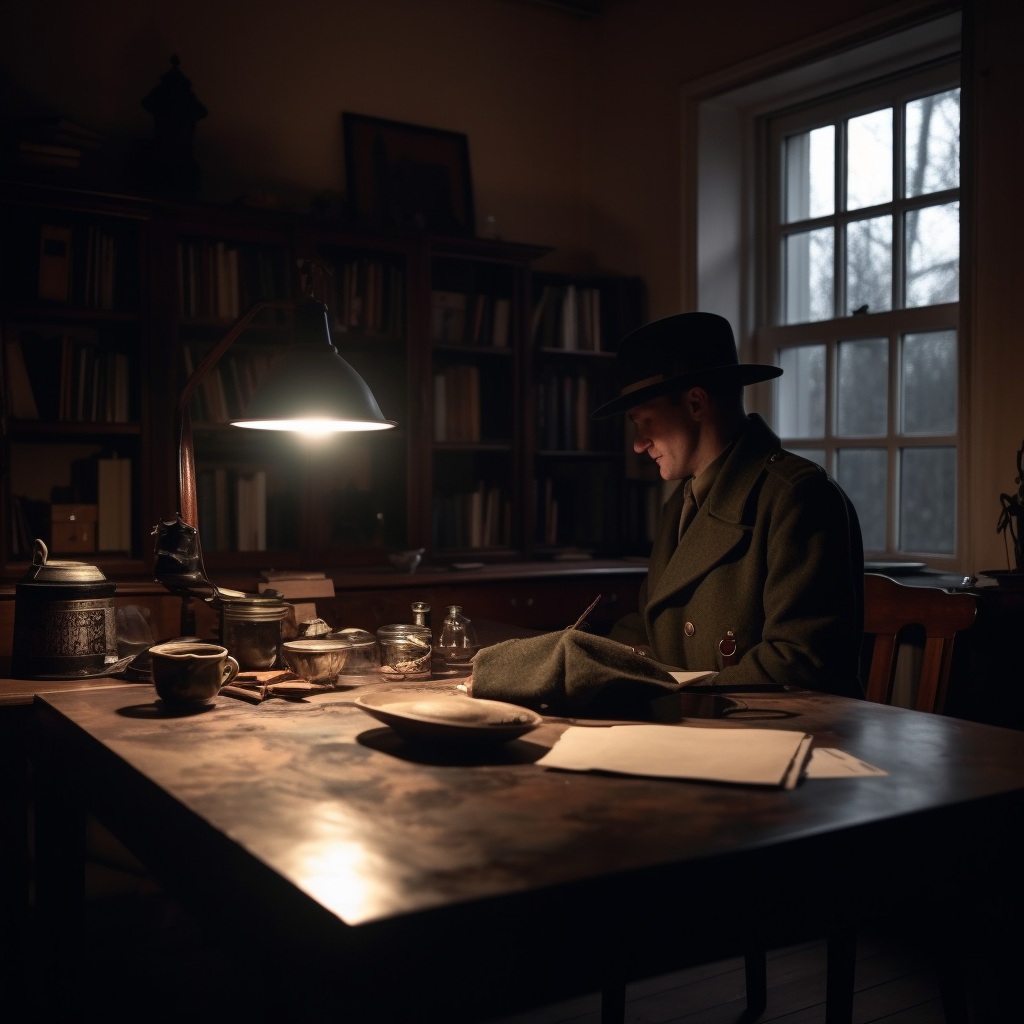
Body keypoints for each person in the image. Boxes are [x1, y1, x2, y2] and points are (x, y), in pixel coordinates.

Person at [592, 311, 864, 698]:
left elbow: (799, 664)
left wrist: (680, 693)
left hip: (784, 737)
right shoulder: (682, 504)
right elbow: (652, 624)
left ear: (696, 403)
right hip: (702, 732)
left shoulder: (799, 497)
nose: (638, 443)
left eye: (646, 421)